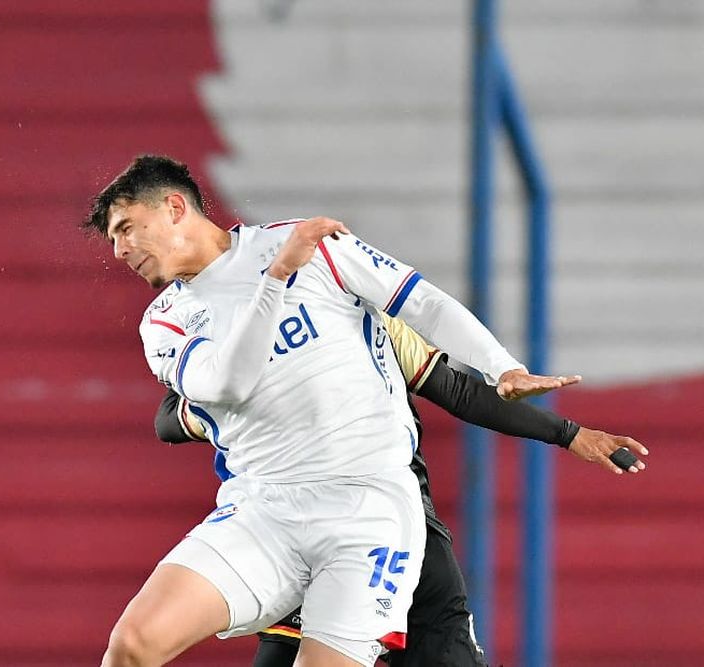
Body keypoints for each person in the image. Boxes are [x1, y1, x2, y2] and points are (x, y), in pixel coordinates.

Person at [82, 154, 578, 667]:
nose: (119, 250)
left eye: (126, 228)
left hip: (366, 509)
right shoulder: (164, 322)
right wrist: (276, 280)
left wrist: (501, 366)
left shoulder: (307, 244)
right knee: (131, 645)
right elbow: (229, 382)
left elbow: (421, 302)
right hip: (263, 510)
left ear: (174, 207)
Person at [155, 310, 648, 667]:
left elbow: (458, 390)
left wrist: (571, 434)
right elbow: (168, 420)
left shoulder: (366, 317)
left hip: (387, 530)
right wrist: (232, 399)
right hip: (301, 530)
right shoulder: (235, 342)